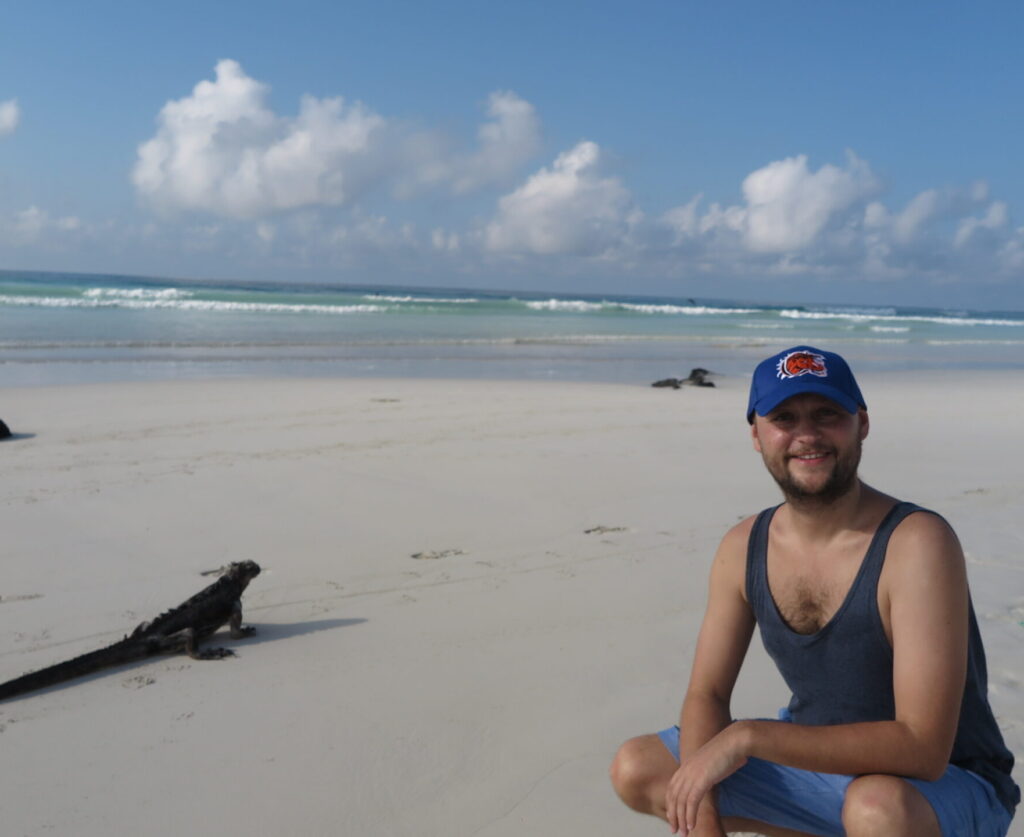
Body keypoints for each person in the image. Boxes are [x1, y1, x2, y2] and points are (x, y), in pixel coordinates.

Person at [610, 346, 1018, 836]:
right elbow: (707, 693)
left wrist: (748, 737)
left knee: (875, 808)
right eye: (784, 417)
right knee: (640, 767)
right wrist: (702, 817)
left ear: (861, 424)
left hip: (947, 786)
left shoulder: (915, 542)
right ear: (757, 436)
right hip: (823, 771)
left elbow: (923, 749)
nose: (807, 435)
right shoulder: (743, 546)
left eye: (827, 414)